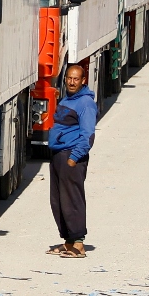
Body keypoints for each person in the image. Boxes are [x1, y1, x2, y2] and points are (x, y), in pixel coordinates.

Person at [46, 64, 97, 258]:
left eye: (76, 79)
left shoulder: (85, 103)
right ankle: (67, 241)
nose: (72, 82)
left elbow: (88, 135)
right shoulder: (68, 98)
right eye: (69, 78)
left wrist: (74, 159)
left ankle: (78, 244)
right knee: (58, 200)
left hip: (71, 156)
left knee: (72, 199)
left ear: (83, 81)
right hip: (58, 155)